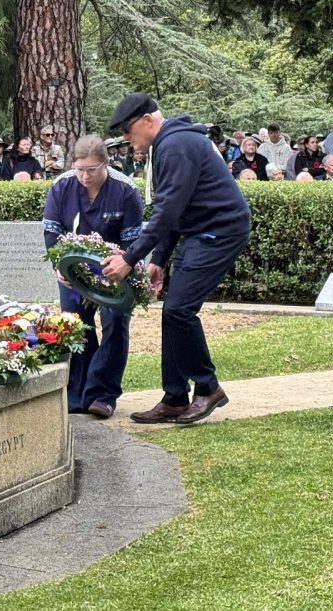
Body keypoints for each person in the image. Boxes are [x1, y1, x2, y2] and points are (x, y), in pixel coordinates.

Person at [101, 93, 251, 425]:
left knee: (180, 310)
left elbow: (168, 211)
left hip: (219, 232)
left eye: (128, 130)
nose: (126, 139)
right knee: (173, 313)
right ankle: (174, 397)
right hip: (200, 231)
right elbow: (172, 208)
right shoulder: (170, 143)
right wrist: (159, 260)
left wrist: (130, 258)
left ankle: (208, 388)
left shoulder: (176, 145)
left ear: (147, 120)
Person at [43, 135, 145, 418]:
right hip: (73, 271)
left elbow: (133, 241)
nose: (84, 176)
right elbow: (52, 231)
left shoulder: (126, 190)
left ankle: (103, 394)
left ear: (106, 164)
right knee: (77, 326)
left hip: (117, 270)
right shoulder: (61, 186)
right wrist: (59, 267)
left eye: (92, 170)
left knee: (114, 324)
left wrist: (124, 266)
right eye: (79, 169)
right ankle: (77, 394)